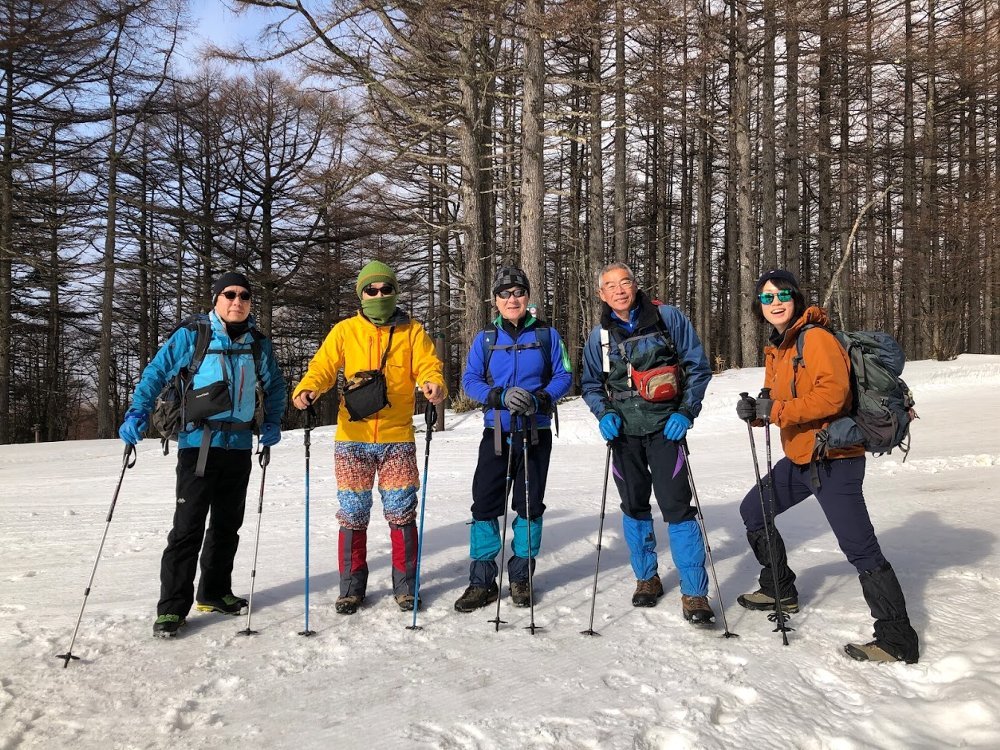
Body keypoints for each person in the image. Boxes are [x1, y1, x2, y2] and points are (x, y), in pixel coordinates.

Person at [734, 268, 919, 663]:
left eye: (782, 294)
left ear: (796, 298)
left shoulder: (814, 338)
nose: (775, 303)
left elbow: (833, 396)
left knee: (861, 549)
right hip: (802, 457)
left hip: (835, 460)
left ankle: (896, 639)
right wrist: (758, 411)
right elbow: (779, 399)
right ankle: (779, 588)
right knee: (754, 510)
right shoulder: (779, 347)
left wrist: (777, 410)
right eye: (766, 298)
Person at [118, 272, 286, 638]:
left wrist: (272, 422)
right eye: (229, 294)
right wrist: (136, 413)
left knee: (227, 526)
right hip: (198, 446)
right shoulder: (194, 335)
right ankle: (172, 609)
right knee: (187, 528)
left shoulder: (258, 343)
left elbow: (275, 385)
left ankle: (214, 592)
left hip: (239, 446)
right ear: (216, 299)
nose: (236, 301)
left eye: (244, 296)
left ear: (250, 303)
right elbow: (155, 373)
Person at [291, 261, 446, 615]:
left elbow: (428, 365)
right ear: (361, 294)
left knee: (402, 512)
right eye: (371, 290)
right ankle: (350, 588)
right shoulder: (345, 331)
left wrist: (433, 383)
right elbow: (322, 368)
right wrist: (307, 388)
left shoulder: (413, 331)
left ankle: (406, 587)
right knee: (352, 513)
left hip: (397, 438)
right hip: (352, 438)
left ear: (395, 292)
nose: (379, 296)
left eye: (385, 289)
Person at [581, 262, 715, 625]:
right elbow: (591, 385)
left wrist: (686, 412)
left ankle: (695, 593)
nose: (619, 290)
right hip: (624, 436)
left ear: (635, 285)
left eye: (625, 282)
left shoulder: (668, 319)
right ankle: (647, 578)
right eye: (611, 286)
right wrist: (603, 413)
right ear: (602, 295)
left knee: (677, 508)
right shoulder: (600, 338)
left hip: (666, 431)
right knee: (634, 506)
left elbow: (698, 367)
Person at [454, 267, 573, 612]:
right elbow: (470, 379)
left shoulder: (548, 335)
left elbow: (564, 374)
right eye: (504, 294)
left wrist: (540, 399)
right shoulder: (486, 338)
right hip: (497, 433)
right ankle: (481, 582)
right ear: (495, 301)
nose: (511, 299)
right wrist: (497, 397)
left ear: (527, 297)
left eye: (518, 292)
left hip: (534, 431)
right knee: (485, 506)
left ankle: (521, 577)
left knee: (530, 506)